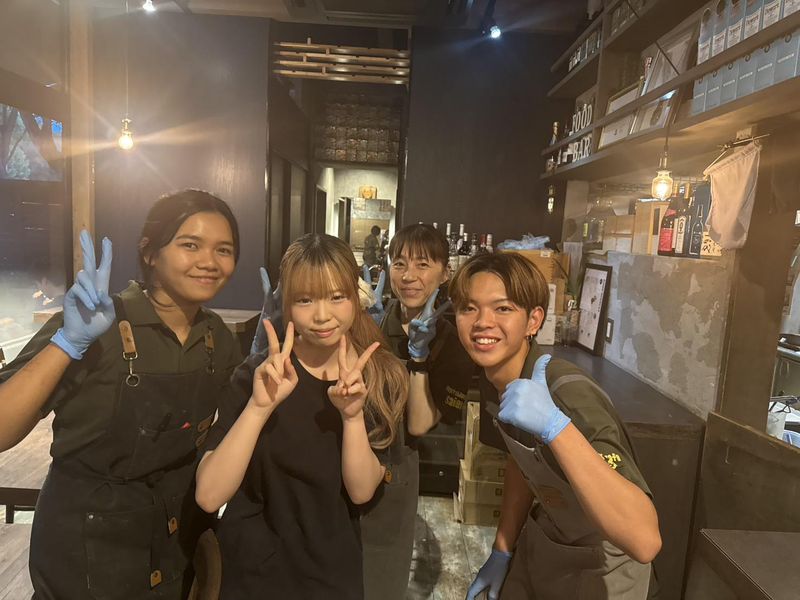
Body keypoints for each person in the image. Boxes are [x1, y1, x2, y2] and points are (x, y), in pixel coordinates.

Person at [0, 189, 243, 600]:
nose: (209, 261)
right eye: (190, 245)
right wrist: (67, 342)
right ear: (150, 252)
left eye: (224, 249)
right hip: (86, 549)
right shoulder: (98, 325)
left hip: (176, 544)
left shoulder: (217, 338)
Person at [195, 233, 408, 599]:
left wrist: (352, 417)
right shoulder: (258, 376)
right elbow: (209, 495)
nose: (322, 316)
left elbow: (361, 493)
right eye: (305, 300)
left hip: (331, 575)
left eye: (336, 297)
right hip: (252, 576)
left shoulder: (377, 376)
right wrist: (259, 407)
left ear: (355, 297)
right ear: (286, 304)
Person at [450, 252, 661, 600]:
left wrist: (556, 427)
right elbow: (522, 461)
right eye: (468, 308)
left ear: (533, 320)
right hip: (548, 541)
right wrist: (502, 549)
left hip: (604, 566)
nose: (482, 322)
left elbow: (644, 540)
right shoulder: (494, 376)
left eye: (502, 308)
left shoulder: (567, 394)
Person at [360, 223, 475, 600]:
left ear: (445, 273)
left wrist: (419, 359)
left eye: (423, 264)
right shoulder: (374, 317)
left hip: (395, 467)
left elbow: (421, 423)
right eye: (400, 263)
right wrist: (361, 330)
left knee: (380, 575)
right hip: (344, 453)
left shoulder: (454, 341)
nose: (408, 275)